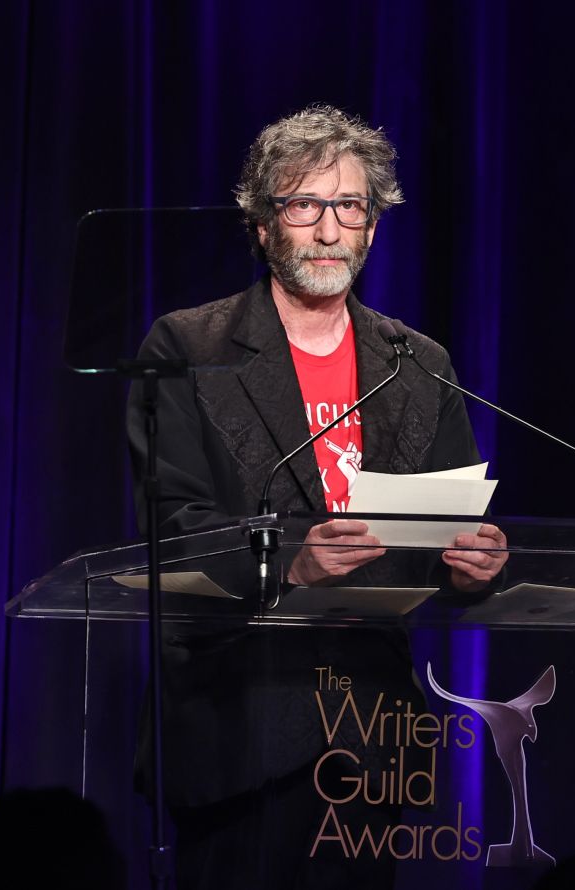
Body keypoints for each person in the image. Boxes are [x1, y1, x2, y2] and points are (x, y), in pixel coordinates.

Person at [126, 105, 506, 890]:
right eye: (305, 205)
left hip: (371, 733)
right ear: (264, 224)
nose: (329, 230)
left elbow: (442, 531)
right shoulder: (188, 347)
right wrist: (290, 562)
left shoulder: (416, 362)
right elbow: (174, 525)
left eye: (350, 207)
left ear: (372, 226)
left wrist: (470, 566)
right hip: (240, 721)